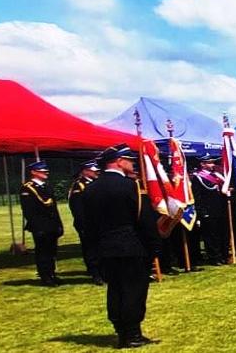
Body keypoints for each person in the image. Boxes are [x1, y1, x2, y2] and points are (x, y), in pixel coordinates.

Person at [78, 145, 160, 348]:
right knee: (134, 290)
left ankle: (121, 332)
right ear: (117, 161)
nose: (132, 163)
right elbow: (143, 220)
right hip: (131, 246)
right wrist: (154, 247)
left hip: (105, 248)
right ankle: (133, 334)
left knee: (115, 290)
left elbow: (86, 225)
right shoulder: (130, 186)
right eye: (128, 159)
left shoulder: (90, 189)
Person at [20, 161, 65, 286]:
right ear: (33, 172)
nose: (46, 173)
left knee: (52, 251)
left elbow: (54, 209)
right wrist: (37, 227)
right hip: (40, 226)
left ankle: (51, 273)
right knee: (42, 252)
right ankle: (45, 276)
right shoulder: (28, 188)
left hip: (51, 225)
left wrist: (58, 225)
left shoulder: (46, 186)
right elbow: (29, 211)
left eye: (46, 171)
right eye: (42, 171)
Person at [69, 161, 102, 284]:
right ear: (85, 171)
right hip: (87, 223)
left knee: (100, 248)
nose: (96, 172)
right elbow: (77, 208)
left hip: (98, 222)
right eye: (93, 170)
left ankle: (101, 271)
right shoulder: (79, 186)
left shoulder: (95, 183)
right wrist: (83, 225)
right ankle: (95, 273)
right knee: (91, 249)